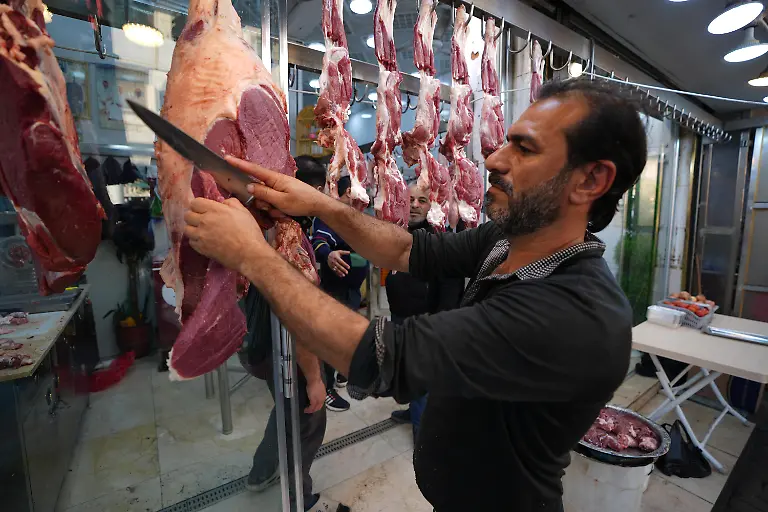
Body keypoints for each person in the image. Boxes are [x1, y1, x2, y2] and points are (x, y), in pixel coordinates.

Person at [182, 77, 647, 511]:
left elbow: (385, 358)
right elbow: (409, 248)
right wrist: (317, 203)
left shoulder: (576, 315)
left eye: (524, 149)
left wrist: (253, 257)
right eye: (507, 141)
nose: (495, 159)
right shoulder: (508, 241)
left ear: (590, 180)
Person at [246, 155, 348, 512]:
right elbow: (298, 317)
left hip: (263, 345)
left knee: (285, 410)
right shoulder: (288, 234)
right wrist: (316, 377)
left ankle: (261, 472)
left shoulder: (256, 225)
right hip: (286, 350)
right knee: (308, 420)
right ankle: (298, 495)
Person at [387, 180, 464, 440]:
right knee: (408, 373)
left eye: (422, 200)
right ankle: (413, 412)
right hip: (400, 314)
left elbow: (451, 284)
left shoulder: (440, 236)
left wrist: (440, 322)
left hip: (425, 320)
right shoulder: (399, 230)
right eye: (410, 200)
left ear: (432, 204)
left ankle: (424, 432)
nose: (415, 206)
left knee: (422, 376)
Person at [311, 174, 369, 412]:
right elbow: (319, 241)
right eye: (359, 192)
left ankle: (341, 374)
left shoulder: (354, 216)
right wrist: (329, 255)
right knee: (333, 339)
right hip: (336, 289)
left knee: (346, 334)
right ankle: (326, 391)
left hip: (352, 289)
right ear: (347, 193)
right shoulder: (330, 216)